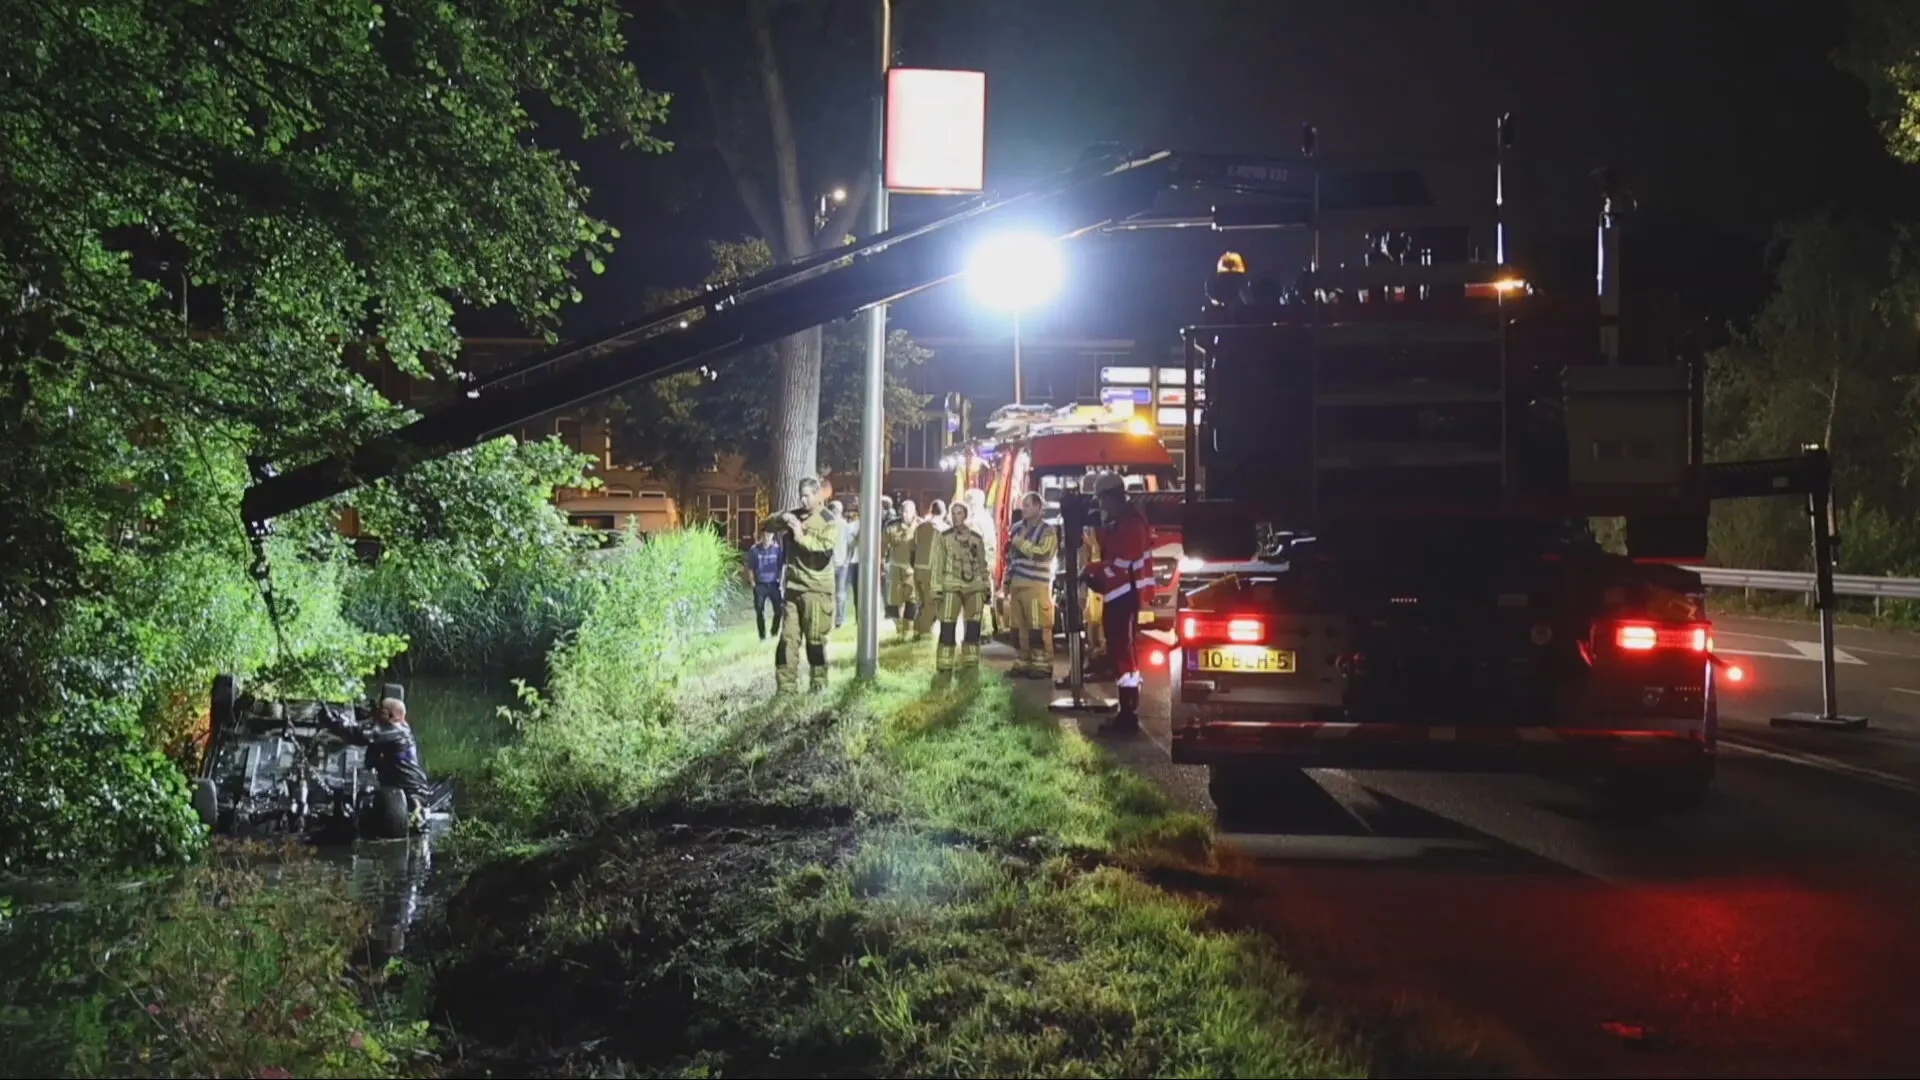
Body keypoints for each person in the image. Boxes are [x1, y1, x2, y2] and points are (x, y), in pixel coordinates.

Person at [1083, 472, 1156, 732]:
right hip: (1119, 595)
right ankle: (1125, 711)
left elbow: (1121, 565)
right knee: (1119, 654)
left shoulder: (1131, 524)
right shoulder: (1121, 521)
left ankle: (1128, 715)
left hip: (1125, 596)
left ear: (1111, 497)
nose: (1100, 505)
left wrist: (1093, 571)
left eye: (1101, 500)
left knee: (1124, 656)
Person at [766, 477, 840, 693]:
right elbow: (768, 524)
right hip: (793, 588)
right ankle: (786, 687)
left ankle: (818, 683)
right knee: (787, 639)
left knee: (815, 640)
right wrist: (783, 516)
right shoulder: (795, 515)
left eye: (807, 495)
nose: (803, 499)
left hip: (816, 589)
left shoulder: (828, 520)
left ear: (818, 495)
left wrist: (800, 535)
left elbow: (825, 548)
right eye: (801, 495)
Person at [326, 697, 432, 831]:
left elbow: (362, 734)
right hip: (397, 794)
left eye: (379, 712)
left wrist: (336, 723)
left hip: (412, 797)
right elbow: (362, 727)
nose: (374, 716)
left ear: (390, 715)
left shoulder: (397, 731)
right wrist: (340, 719)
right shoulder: (392, 730)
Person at [931, 501, 991, 671]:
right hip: (951, 586)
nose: (956, 517)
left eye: (959, 513)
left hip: (974, 587)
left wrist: (986, 585)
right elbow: (938, 563)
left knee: (973, 627)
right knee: (947, 626)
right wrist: (936, 588)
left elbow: (982, 564)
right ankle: (944, 666)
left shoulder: (976, 539)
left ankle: (971, 665)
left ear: (965, 516)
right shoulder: (944, 538)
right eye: (953, 513)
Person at [1004, 491, 1058, 679]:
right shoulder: (1017, 527)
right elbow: (1010, 557)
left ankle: (1042, 665)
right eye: (1023, 505)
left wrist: (1021, 544)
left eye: (1027, 505)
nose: (1023, 509)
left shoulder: (1048, 531)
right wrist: (1007, 579)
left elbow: (1044, 552)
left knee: (1038, 626)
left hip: (1036, 585)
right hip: (1017, 584)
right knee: (1018, 627)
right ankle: (1022, 662)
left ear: (1038, 508)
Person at [909, 498, 947, 640]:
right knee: (932, 604)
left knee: (921, 602)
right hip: (932, 571)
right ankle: (924, 634)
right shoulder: (943, 529)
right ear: (944, 512)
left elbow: (913, 548)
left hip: (918, 569)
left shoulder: (919, 527)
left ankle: (917, 630)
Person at [883, 498, 919, 641]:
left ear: (914, 512)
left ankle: (907, 630)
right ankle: (898, 627)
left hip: (913, 570)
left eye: (908, 511)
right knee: (893, 600)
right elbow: (883, 545)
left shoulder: (921, 526)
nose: (905, 514)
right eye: (903, 511)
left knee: (912, 600)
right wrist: (882, 563)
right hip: (895, 568)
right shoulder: (891, 526)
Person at [747, 529, 785, 640]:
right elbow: (750, 568)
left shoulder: (777, 550)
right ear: (762, 536)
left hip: (774, 584)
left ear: (773, 535)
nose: (767, 537)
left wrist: (781, 581)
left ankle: (774, 632)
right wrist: (753, 583)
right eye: (765, 535)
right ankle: (762, 636)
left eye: (769, 535)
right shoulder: (754, 550)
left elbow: (781, 566)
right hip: (760, 585)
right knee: (759, 611)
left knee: (779, 610)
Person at [825, 498, 850, 628]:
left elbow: (850, 544)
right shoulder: (827, 526)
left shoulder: (845, 526)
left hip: (841, 564)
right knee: (829, 593)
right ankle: (829, 618)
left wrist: (846, 560)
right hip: (830, 564)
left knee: (840, 593)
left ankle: (839, 619)